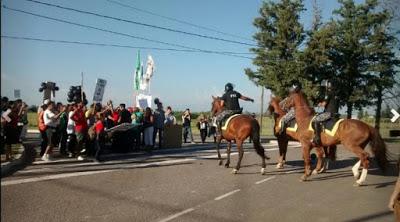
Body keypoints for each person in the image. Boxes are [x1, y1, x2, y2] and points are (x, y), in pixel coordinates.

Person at [312, 81, 340, 146]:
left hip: (329, 113)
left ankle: (317, 138)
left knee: (315, 120)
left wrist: (318, 104)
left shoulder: (329, 94)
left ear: (329, 86)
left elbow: (323, 105)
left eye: (327, 86)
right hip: (336, 113)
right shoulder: (337, 94)